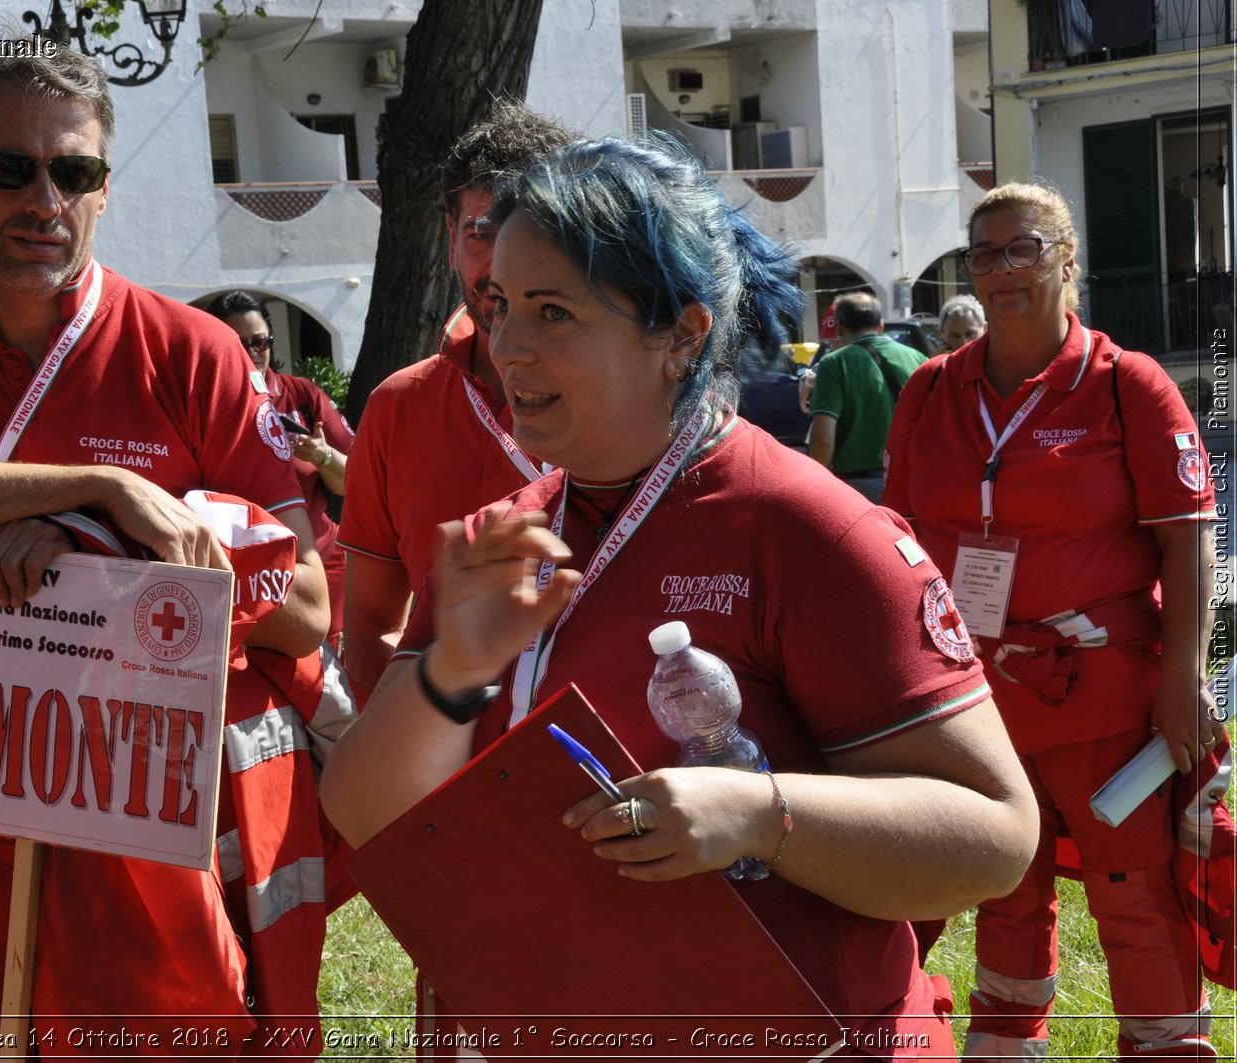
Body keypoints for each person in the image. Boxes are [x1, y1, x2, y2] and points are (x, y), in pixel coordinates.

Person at [321, 136, 1039, 1055]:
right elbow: (364, 812)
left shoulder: (811, 530)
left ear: (682, 336)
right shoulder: (499, 541)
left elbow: (995, 835)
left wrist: (762, 814)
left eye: (554, 313)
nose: (507, 348)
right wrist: (450, 672)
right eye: (500, 306)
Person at [0, 47, 335, 1060]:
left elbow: (309, 603)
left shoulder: (191, 349)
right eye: (10, 169)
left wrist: (86, 548)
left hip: (178, 822)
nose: (44, 199)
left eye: (76, 172)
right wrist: (98, 486)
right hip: (1, 798)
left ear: (103, 187)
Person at [883, 181, 1220, 1061]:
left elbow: (1188, 542)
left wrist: (1183, 678)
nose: (1000, 269)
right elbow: (898, 542)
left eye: (1022, 248)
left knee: (1132, 893)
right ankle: (1005, 1047)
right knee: (1002, 884)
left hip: (1104, 696)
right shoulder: (929, 390)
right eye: (983, 253)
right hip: (971, 696)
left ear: (1067, 260)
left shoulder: (1126, 384)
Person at [338, 101, 575, 699]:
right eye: (483, 234)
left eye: (533, 234)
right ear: (450, 239)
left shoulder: (631, 398)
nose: (502, 268)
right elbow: (369, 630)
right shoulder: (397, 409)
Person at [206, 290, 355, 648]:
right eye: (239, 344)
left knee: (334, 678)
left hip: (320, 563)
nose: (253, 352)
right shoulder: (205, 404)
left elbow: (354, 481)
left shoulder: (302, 396)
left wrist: (322, 457)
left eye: (260, 341)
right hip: (244, 573)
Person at [804, 290, 926, 501]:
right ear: (880, 326)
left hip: (858, 488)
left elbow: (823, 439)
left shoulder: (833, 363)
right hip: (913, 483)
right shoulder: (918, 358)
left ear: (839, 327)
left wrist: (816, 487)